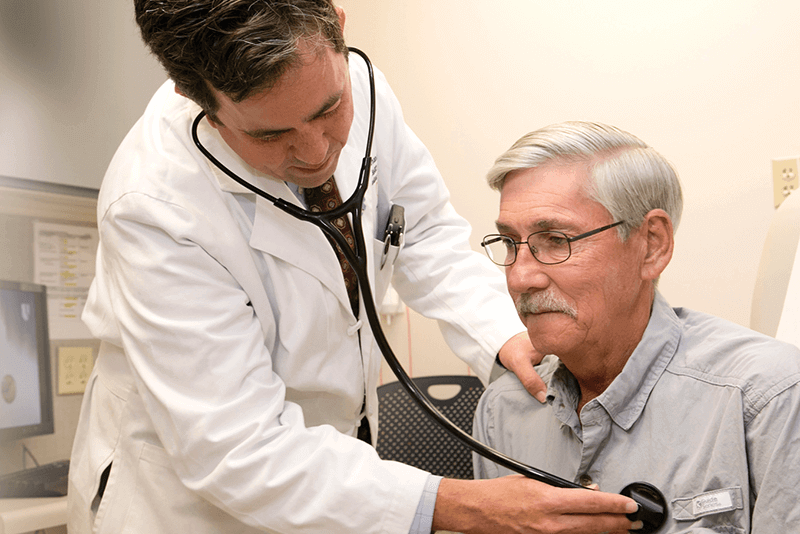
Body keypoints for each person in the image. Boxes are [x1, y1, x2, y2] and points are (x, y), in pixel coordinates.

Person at [67, 3, 641, 533]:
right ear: (200, 102)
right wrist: (460, 506)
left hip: (334, 464)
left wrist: (503, 333)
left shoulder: (361, 87)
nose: (317, 152)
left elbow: (421, 232)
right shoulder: (154, 207)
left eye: (327, 110)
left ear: (338, 29)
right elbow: (234, 450)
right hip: (184, 505)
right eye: (270, 135)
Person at [472, 121, 800, 532]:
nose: (520, 278)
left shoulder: (768, 397)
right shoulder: (503, 410)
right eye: (508, 244)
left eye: (556, 240)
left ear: (651, 245)